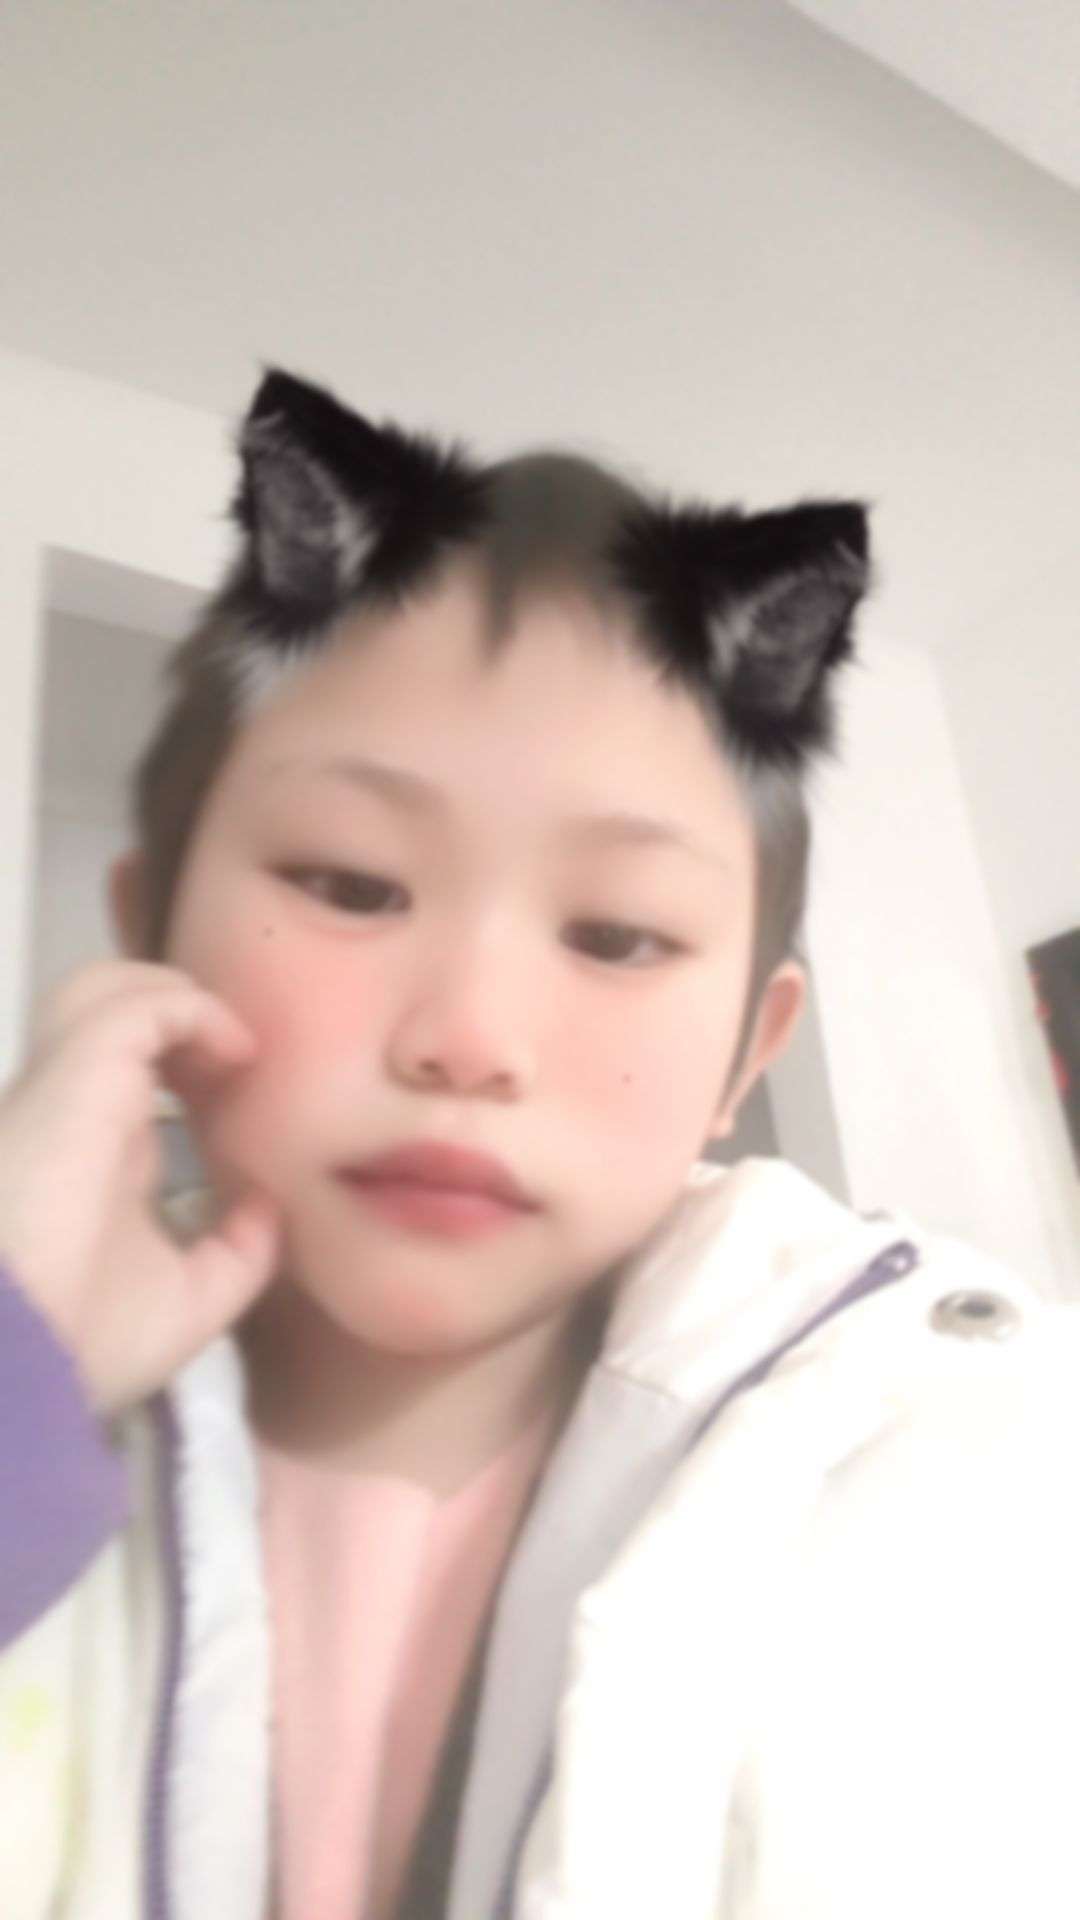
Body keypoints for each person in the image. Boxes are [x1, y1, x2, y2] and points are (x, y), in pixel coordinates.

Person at [0, 369, 1077, 1920]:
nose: (472, 1035)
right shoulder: (35, 1429)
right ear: (149, 941)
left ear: (746, 1054)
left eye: (618, 934)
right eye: (353, 885)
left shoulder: (985, 1470)